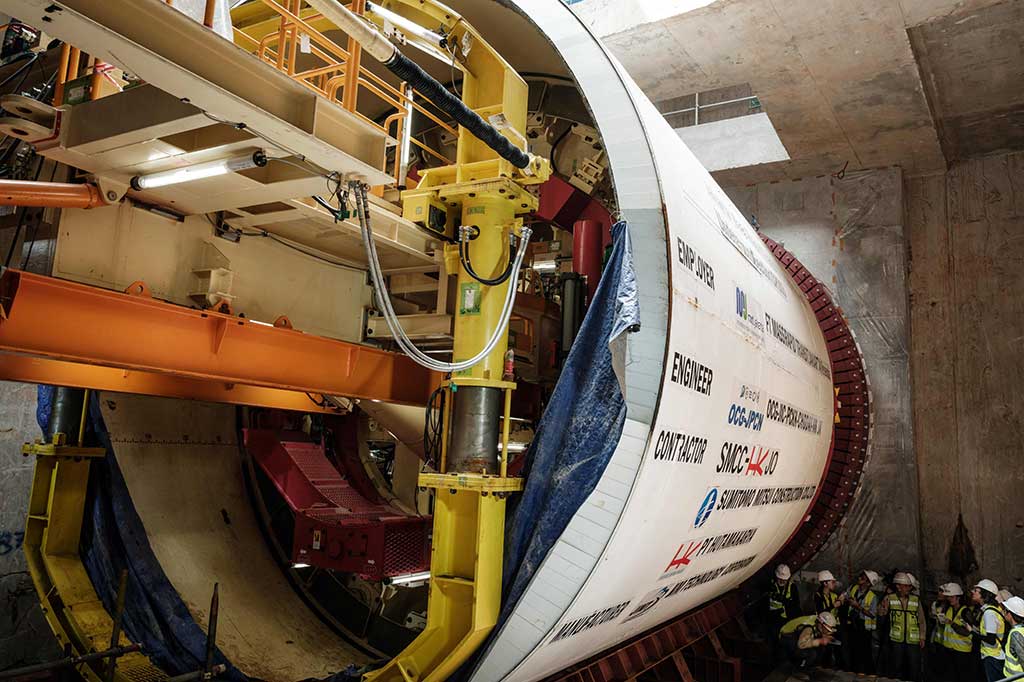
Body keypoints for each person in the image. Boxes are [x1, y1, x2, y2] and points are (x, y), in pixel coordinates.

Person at [878, 572, 926, 681]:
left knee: (914, 666)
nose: (908, 588)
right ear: (898, 587)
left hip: (913, 640)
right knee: (896, 665)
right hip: (896, 639)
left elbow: (922, 620)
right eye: (906, 586)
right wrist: (883, 605)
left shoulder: (915, 600)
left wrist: (922, 636)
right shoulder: (890, 598)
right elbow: (881, 614)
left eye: (909, 586)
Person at [842, 570, 881, 673]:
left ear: (868, 583)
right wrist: (841, 599)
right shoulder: (853, 588)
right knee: (852, 649)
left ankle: (868, 673)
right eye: (861, 576)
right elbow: (844, 596)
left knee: (865, 651)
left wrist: (857, 606)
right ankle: (853, 671)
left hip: (864, 628)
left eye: (863, 578)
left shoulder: (872, 597)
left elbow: (872, 614)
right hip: (852, 624)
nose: (859, 578)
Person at [972, 579, 1007, 682]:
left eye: (976, 590)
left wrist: (972, 632)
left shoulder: (989, 613)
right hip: (995, 655)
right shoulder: (990, 610)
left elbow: (991, 639)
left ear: (984, 594)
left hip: (993, 656)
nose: (972, 592)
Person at [941, 583, 975, 682]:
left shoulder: (966, 612)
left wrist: (952, 624)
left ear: (958, 597)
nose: (949, 599)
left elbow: (967, 632)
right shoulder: (949, 609)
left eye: (952, 597)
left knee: (962, 677)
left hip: (962, 651)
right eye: (948, 597)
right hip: (949, 649)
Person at [815, 570, 845, 667]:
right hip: (824, 628)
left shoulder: (834, 595)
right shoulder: (818, 596)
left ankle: (839, 669)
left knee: (839, 649)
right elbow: (821, 612)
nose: (834, 584)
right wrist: (833, 605)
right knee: (825, 651)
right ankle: (824, 670)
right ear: (825, 583)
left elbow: (838, 612)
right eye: (832, 582)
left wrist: (841, 603)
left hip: (835, 626)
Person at [769, 564, 802, 635]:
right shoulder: (770, 586)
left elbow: (796, 605)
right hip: (774, 619)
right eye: (780, 579)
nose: (782, 581)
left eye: (784, 580)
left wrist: (783, 599)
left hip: (788, 619)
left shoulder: (792, 587)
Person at [930, 584, 951, 681]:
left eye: (941, 591)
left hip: (948, 640)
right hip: (938, 638)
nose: (939, 593)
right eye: (939, 591)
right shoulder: (935, 604)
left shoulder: (951, 608)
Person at [1001, 596, 1024, 679]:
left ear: (1010, 614)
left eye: (1005, 610)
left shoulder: (1016, 634)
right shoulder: (1021, 630)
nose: (1003, 612)